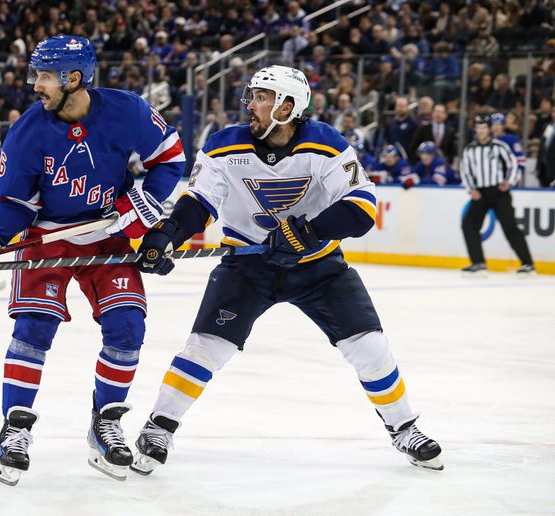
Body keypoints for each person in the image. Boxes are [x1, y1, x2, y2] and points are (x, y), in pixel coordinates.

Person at [129, 65, 443, 476]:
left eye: (262, 97)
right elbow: (200, 203)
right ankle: (159, 427)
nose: (251, 105)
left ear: (288, 106)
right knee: (206, 347)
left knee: (370, 346)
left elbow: (363, 207)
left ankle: (404, 427)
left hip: (318, 266)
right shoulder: (223, 146)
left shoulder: (327, 144)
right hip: (248, 266)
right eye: (252, 96)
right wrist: (169, 233)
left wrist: (309, 233)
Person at [0, 35, 185, 485]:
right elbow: (16, 202)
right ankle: (15, 429)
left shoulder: (127, 110)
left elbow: (170, 159)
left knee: (128, 327)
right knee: (33, 331)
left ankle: (106, 424)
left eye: (43, 76)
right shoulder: (27, 132)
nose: (35, 85)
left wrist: (135, 212)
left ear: (73, 78)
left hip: (109, 238)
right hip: (48, 239)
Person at [460, 114, 535, 275]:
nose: (480, 131)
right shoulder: (469, 149)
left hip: (499, 192)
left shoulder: (499, 146)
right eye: (478, 128)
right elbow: (465, 171)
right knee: (468, 225)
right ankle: (478, 263)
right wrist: (471, 189)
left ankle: (528, 264)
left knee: (510, 227)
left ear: (489, 130)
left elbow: (513, 164)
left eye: (484, 128)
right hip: (480, 193)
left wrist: (510, 182)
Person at [490, 113, 526, 183]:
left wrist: (515, 177)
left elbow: (521, 160)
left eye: (498, 124)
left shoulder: (512, 139)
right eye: (493, 124)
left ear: (503, 126)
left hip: (509, 179)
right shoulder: (488, 140)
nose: (495, 127)